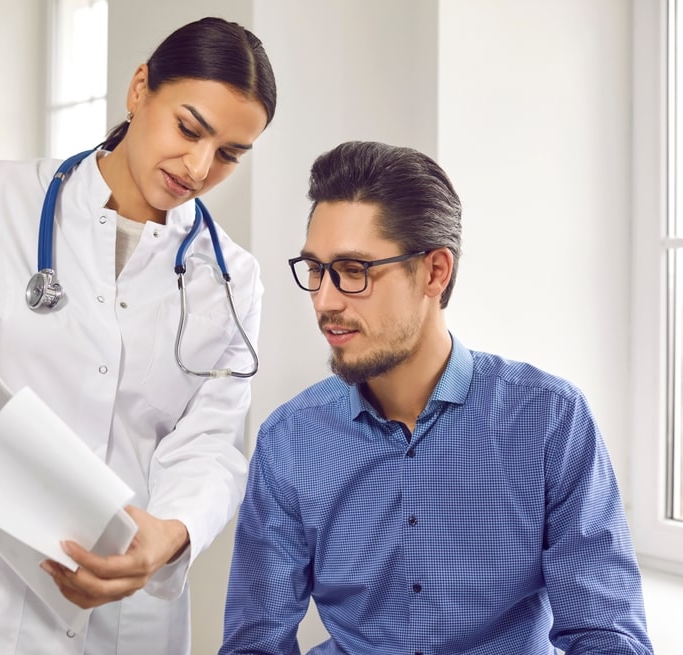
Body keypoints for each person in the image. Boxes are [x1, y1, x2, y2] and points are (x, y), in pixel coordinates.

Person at [0, 16, 277, 655]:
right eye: (190, 129)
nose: (199, 165)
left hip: (118, 607)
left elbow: (210, 443)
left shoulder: (232, 277)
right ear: (139, 90)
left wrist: (171, 533)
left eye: (230, 156)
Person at [219, 141, 653, 655]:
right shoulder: (291, 439)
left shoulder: (549, 420)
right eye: (316, 269)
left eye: (354, 271)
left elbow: (606, 636)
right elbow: (255, 644)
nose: (325, 300)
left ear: (434, 272)